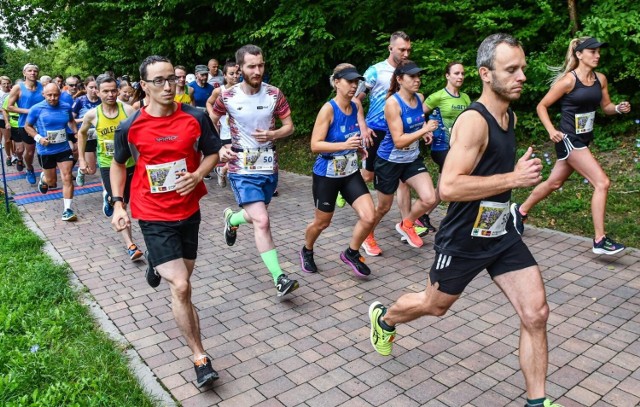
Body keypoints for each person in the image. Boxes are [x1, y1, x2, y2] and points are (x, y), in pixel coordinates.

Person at [369, 33, 563, 407]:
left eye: (522, 67)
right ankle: (385, 319)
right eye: (512, 69)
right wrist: (513, 179)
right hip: (463, 238)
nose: (522, 76)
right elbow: (450, 187)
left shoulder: (510, 114)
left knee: (536, 313)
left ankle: (537, 402)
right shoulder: (475, 121)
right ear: (486, 74)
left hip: (500, 232)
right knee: (435, 305)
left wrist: (511, 181)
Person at [110, 55, 221, 387]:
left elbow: (213, 151)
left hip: (188, 211)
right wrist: (118, 204)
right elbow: (118, 164)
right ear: (143, 86)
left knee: (183, 275)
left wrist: (199, 173)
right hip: (152, 213)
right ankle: (200, 357)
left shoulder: (196, 117)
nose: (167, 86)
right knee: (183, 287)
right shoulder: (130, 127)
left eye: (171, 78)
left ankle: (157, 265)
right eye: (158, 80)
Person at [512, 37, 630, 255]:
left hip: (584, 139)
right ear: (579, 55)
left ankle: (519, 211)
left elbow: (606, 107)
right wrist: (550, 130)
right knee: (602, 182)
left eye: (598, 52)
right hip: (568, 140)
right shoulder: (568, 81)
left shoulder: (600, 79)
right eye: (592, 52)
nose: (597, 55)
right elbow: (542, 106)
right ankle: (600, 240)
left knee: (554, 183)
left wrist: (619, 109)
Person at [211, 44, 299, 297]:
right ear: (240, 68)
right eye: (252, 66)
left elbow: (290, 127)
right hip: (241, 166)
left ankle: (232, 219)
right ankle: (279, 277)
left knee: (254, 216)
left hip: (268, 166)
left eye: (261, 65)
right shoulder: (227, 96)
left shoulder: (274, 94)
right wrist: (219, 147)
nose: (257, 70)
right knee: (262, 220)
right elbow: (211, 121)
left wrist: (274, 133)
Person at [301, 64, 375, 276]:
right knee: (323, 222)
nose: (354, 86)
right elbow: (315, 145)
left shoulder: (356, 106)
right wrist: (345, 146)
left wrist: (358, 148)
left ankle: (351, 252)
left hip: (349, 172)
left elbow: (350, 137)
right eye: (349, 81)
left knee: (369, 216)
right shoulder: (328, 109)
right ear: (336, 83)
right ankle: (307, 250)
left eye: (356, 82)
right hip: (327, 174)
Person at [357, 31, 425, 256]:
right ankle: (350, 187)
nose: (406, 53)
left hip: (402, 135)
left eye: (408, 50)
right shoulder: (375, 71)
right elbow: (356, 99)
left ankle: (407, 223)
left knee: (404, 182)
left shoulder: (411, 78)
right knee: (368, 176)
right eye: (402, 49)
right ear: (390, 49)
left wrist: (422, 130)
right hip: (377, 131)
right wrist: (363, 127)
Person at [368, 60, 438, 249]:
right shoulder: (392, 103)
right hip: (389, 160)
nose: (417, 80)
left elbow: (417, 122)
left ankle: (406, 224)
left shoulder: (420, 98)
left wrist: (425, 130)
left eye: (418, 76)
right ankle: (367, 235)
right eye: (412, 76)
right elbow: (398, 140)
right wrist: (423, 131)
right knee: (383, 207)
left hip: (411, 159)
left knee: (429, 198)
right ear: (399, 79)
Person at [77, 74, 144, 260]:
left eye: (113, 90)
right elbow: (81, 134)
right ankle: (130, 245)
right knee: (120, 204)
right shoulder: (93, 115)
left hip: (130, 164)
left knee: (126, 201)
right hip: (108, 165)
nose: (111, 94)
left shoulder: (129, 110)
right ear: (97, 92)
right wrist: (81, 160)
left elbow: (141, 134)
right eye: (105, 91)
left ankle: (110, 198)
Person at [419, 61, 472, 232]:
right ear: (447, 76)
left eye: (462, 73)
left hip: (459, 148)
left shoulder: (465, 98)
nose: (460, 77)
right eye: (456, 73)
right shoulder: (438, 96)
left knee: (444, 187)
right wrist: (424, 130)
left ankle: (422, 215)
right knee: (457, 183)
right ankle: (454, 222)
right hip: (441, 148)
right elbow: (418, 113)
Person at [24, 83, 78, 221]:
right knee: (52, 182)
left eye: (56, 95)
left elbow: (71, 121)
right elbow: (27, 127)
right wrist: (39, 138)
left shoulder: (65, 106)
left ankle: (67, 209)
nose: (53, 98)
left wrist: (76, 133)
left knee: (67, 177)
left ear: (60, 94)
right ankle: (44, 178)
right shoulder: (36, 109)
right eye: (49, 95)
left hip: (64, 148)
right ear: (44, 94)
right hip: (45, 150)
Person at [6, 63, 45, 184]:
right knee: (29, 151)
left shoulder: (43, 86)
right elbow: (9, 107)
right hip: (25, 124)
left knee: (44, 149)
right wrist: (29, 111)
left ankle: (47, 174)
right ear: (24, 73)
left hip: (42, 124)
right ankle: (29, 168)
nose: (33, 73)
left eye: (35, 71)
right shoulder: (18, 88)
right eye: (30, 71)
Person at [206, 60, 240, 187]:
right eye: (231, 74)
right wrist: (213, 116)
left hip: (241, 130)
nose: (235, 76)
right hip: (226, 130)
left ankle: (224, 169)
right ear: (225, 75)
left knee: (240, 156)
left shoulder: (243, 90)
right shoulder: (219, 91)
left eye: (237, 73)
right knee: (235, 156)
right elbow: (209, 103)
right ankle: (225, 170)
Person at [73, 76, 101, 186]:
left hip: (100, 135)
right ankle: (81, 170)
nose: (94, 90)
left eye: (96, 87)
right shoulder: (80, 101)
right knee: (92, 170)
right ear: (85, 87)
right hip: (87, 136)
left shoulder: (102, 100)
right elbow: (71, 120)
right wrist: (86, 119)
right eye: (91, 87)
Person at [0, 76, 14, 166]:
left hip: (14, 119)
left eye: (7, 83)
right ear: (0, 84)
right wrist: (5, 110)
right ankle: (8, 156)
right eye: (4, 83)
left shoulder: (13, 92)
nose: (6, 85)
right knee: (8, 140)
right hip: (2, 119)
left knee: (14, 140)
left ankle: (14, 155)